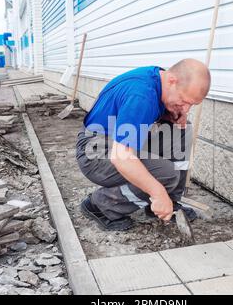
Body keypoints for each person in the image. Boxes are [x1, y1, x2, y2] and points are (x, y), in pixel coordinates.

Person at [76, 59, 211, 231]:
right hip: (94, 153)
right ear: (172, 81)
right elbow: (122, 158)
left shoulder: (159, 81)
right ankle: (101, 204)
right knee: (166, 175)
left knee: (181, 128)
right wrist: (157, 192)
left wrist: (172, 114)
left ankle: (170, 201)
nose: (185, 109)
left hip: (115, 142)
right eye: (184, 101)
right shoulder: (141, 96)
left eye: (191, 104)